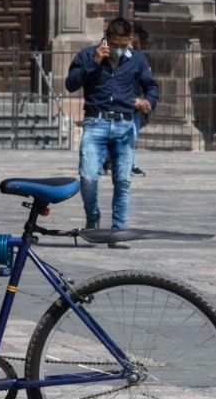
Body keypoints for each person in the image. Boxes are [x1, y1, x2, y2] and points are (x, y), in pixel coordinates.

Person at [65, 17, 159, 246]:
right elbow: (70, 84)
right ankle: (93, 218)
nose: (119, 49)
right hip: (95, 123)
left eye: (123, 45)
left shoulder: (136, 59)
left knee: (123, 180)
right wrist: (94, 62)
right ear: (106, 39)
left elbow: (151, 85)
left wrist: (149, 101)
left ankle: (118, 230)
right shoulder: (88, 56)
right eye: (115, 44)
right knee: (88, 177)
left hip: (124, 125)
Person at [129, 24, 151, 177]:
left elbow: (149, 82)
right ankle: (130, 165)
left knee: (132, 135)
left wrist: (147, 101)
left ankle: (131, 164)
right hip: (121, 103)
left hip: (134, 103)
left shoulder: (139, 60)